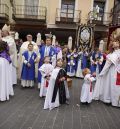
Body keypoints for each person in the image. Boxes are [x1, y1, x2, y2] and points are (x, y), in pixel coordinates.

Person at [93, 41, 120, 107]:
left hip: (116, 71)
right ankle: (109, 100)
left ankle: (115, 101)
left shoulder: (116, 53)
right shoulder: (112, 54)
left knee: (115, 86)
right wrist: (102, 72)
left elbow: (109, 63)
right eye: (114, 43)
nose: (116, 43)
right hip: (113, 71)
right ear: (112, 46)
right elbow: (108, 64)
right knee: (111, 85)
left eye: (117, 43)